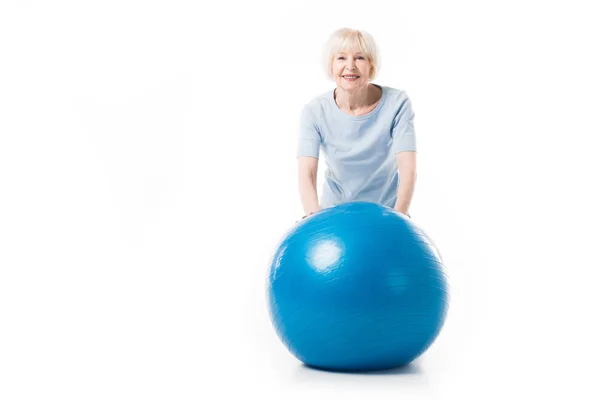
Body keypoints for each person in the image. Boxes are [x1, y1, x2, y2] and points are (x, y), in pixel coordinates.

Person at [297, 27, 417, 220]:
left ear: (371, 65)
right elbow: (307, 172)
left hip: (385, 213)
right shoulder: (314, 111)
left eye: (360, 58)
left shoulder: (397, 103)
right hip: (335, 214)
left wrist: (400, 216)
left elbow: (408, 169)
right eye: (341, 58)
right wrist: (314, 217)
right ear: (331, 65)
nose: (350, 66)